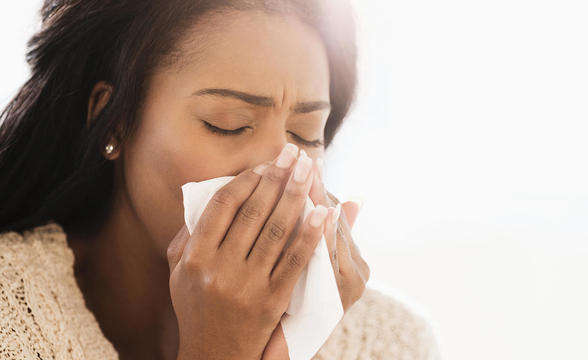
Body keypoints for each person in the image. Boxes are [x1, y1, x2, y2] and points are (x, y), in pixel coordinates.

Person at [0, 0, 440, 359]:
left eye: (306, 134)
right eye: (226, 124)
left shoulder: (389, 344)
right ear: (112, 122)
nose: (280, 166)